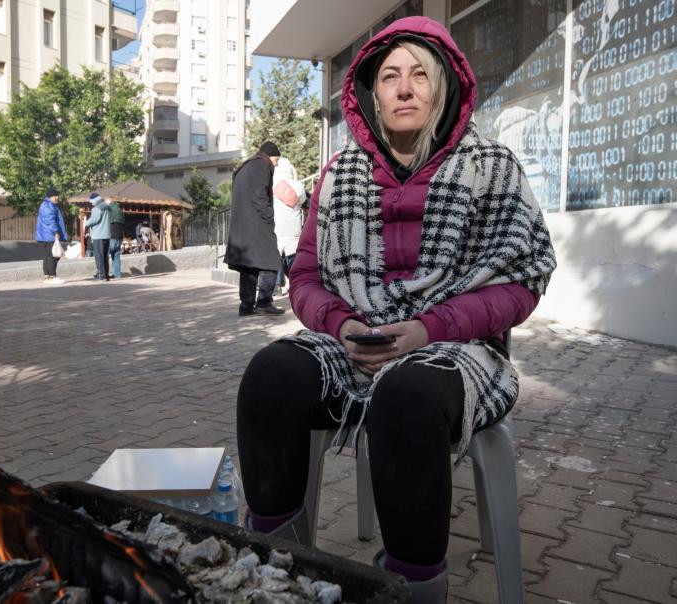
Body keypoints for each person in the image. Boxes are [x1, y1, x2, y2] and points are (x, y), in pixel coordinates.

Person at [236, 17, 556, 602]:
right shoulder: (339, 175)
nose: (404, 89)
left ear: (442, 89)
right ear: (371, 94)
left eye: (419, 76)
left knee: (407, 399)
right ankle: (273, 569)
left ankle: (412, 589)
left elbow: (523, 279)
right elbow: (305, 275)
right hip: (353, 338)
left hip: (457, 347)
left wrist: (428, 328)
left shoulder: (492, 165)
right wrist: (342, 324)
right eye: (389, 77)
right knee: (270, 376)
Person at [224, 141, 286, 317]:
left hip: (242, 225)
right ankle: (264, 302)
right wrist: (269, 217)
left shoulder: (246, 166)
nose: (277, 163)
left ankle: (246, 306)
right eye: (277, 159)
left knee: (249, 266)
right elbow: (260, 195)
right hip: (256, 223)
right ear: (269, 155)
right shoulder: (261, 164)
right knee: (272, 261)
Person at [271, 156, 305, 296]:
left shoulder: (271, 184)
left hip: (277, 227)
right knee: (293, 259)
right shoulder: (298, 185)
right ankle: (297, 284)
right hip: (294, 228)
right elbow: (302, 201)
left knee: (275, 258)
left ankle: (276, 286)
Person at [35, 186, 67, 284]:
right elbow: (50, 221)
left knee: (47, 256)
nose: (57, 197)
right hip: (49, 235)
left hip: (45, 235)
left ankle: (47, 277)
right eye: (55, 195)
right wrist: (56, 232)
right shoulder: (49, 206)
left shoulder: (46, 205)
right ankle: (52, 276)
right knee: (53, 255)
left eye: (57, 195)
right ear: (50, 196)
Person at [84, 192, 111, 281]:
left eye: (91, 201)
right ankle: (106, 274)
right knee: (105, 256)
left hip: (98, 235)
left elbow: (94, 220)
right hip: (107, 235)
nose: (91, 203)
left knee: (99, 256)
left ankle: (101, 275)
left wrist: (86, 223)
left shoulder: (97, 208)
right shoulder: (107, 207)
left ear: (95, 200)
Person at [108, 198, 125, 278]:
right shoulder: (121, 211)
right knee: (116, 255)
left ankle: (103, 273)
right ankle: (117, 274)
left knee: (105, 255)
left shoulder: (109, 210)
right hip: (119, 237)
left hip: (111, 236)